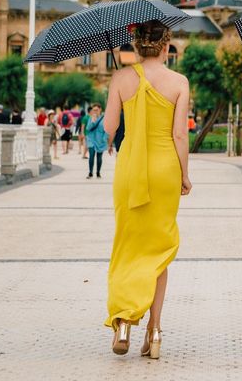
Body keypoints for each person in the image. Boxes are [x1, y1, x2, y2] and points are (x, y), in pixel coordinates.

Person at [102, 20, 192, 359]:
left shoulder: (121, 78)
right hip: (165, 168)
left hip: (131, 168)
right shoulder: (179, 82)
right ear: (167, 46)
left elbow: (109, 128)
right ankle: (154, 333)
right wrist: (184, 174)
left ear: (136, 47)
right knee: (158, 250)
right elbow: (180, 135)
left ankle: (124, 322)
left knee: (128, 245)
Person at [85, 104, 108, 179]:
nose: (95, 111)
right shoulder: (91, 118)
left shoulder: (104, 118)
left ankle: (98, 172)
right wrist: (92, 122)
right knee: (91, 156)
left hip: (100, 140)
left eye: (96, 110)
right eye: (93, 110)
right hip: (91, 140)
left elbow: (106, 130)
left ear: (100, 110)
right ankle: (90, 172)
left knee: (99, 157)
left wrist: (104, 139)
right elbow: (88, 129)